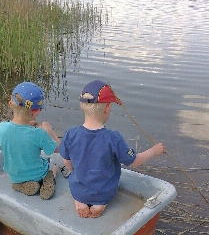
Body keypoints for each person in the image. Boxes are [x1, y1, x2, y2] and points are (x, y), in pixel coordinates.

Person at [59, 80, 166, 218]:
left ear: (82, 106)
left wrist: (77, 171)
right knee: (102, 194)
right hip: (104, 192)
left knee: (76, 183)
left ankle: (80, 202)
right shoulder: (114, 138)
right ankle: (100, 204)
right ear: (107, 108)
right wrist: (153, 151)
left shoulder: (70, 134)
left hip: (78, 189)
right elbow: (133, 161)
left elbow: (67, 162)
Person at [0, 81, 60, 200]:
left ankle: (19, 185)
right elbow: (58, 149)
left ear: (10, 104)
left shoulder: (1, 127)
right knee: (53, 163)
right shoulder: (39, 133)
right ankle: (48, 180)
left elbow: (2, 140)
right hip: (37, 175)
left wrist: (27, 127)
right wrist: (49, 130)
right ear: (36, 111)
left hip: (14, 176)